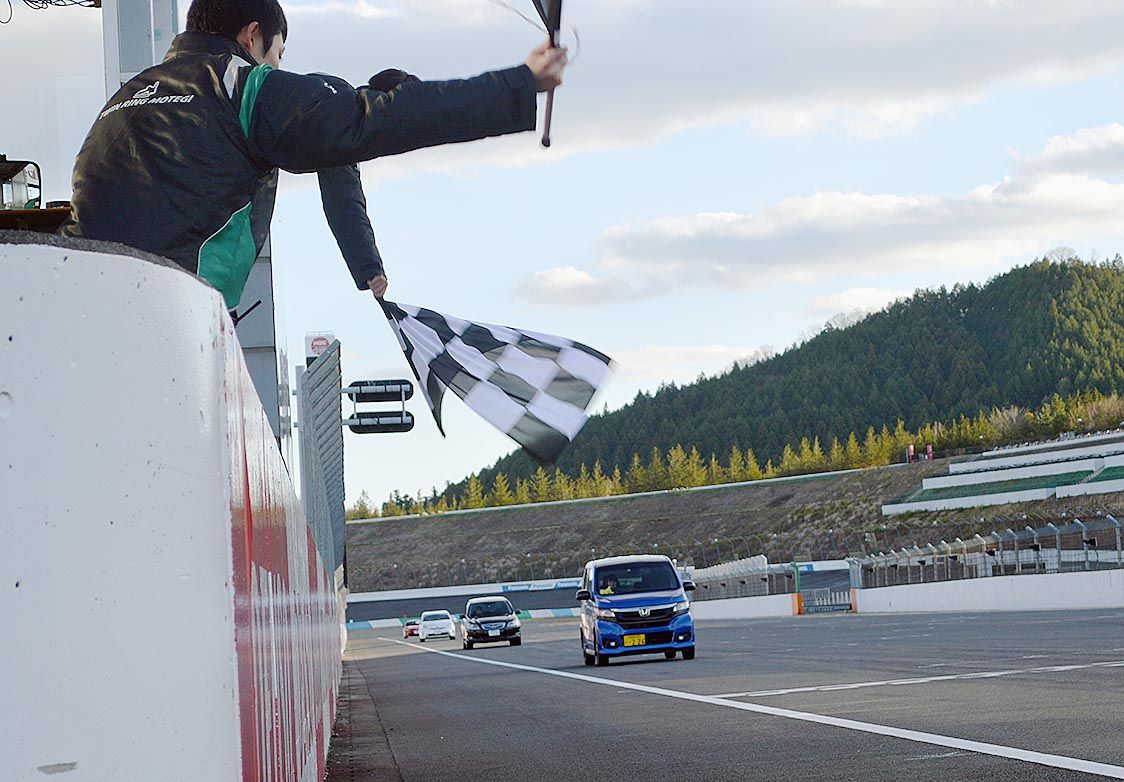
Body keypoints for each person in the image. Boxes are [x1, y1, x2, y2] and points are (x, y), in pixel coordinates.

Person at [60, 0, 566, 309]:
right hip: (174, 312)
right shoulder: (243, 85)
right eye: (278, 54)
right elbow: (367, 124)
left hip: (76, 299)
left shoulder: (124, 99)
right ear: (252, 36)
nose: (278, 69)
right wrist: (519, 83)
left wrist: (364, 263)